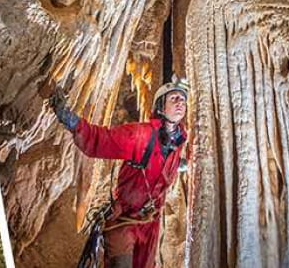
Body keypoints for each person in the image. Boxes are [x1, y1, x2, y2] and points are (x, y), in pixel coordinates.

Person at [51, 78, 192, 268]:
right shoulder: (140, 135)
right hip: (124, 220)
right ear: (160, 106)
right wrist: (70, 120)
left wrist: (183, 165)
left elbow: (165, 165)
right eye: (174, 99)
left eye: (182, 100)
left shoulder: (178, 142)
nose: (179, 103)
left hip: (150, 224)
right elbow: (101, 140)